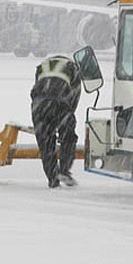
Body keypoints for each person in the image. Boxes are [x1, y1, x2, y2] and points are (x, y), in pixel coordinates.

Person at [31, 55, 81, 189]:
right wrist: (65, 123)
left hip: (39, 106)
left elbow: (37, 88)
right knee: (69, 137)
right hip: (60, 103)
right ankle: (64, 171)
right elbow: (74, 97)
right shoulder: (72, 68)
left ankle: (53, 179)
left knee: (46, 144)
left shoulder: (42, 66)